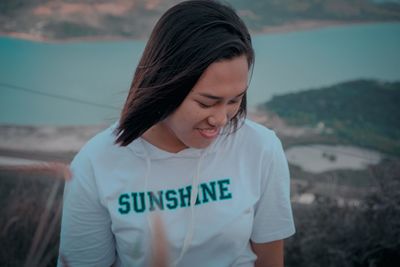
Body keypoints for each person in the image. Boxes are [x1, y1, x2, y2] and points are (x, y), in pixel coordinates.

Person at [57, 0, 295, 266]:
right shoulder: (95, 164)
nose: (220, 119)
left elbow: (271, 260)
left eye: (234, 100)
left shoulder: (261, 148)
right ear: (165, 85)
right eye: (206, 103)